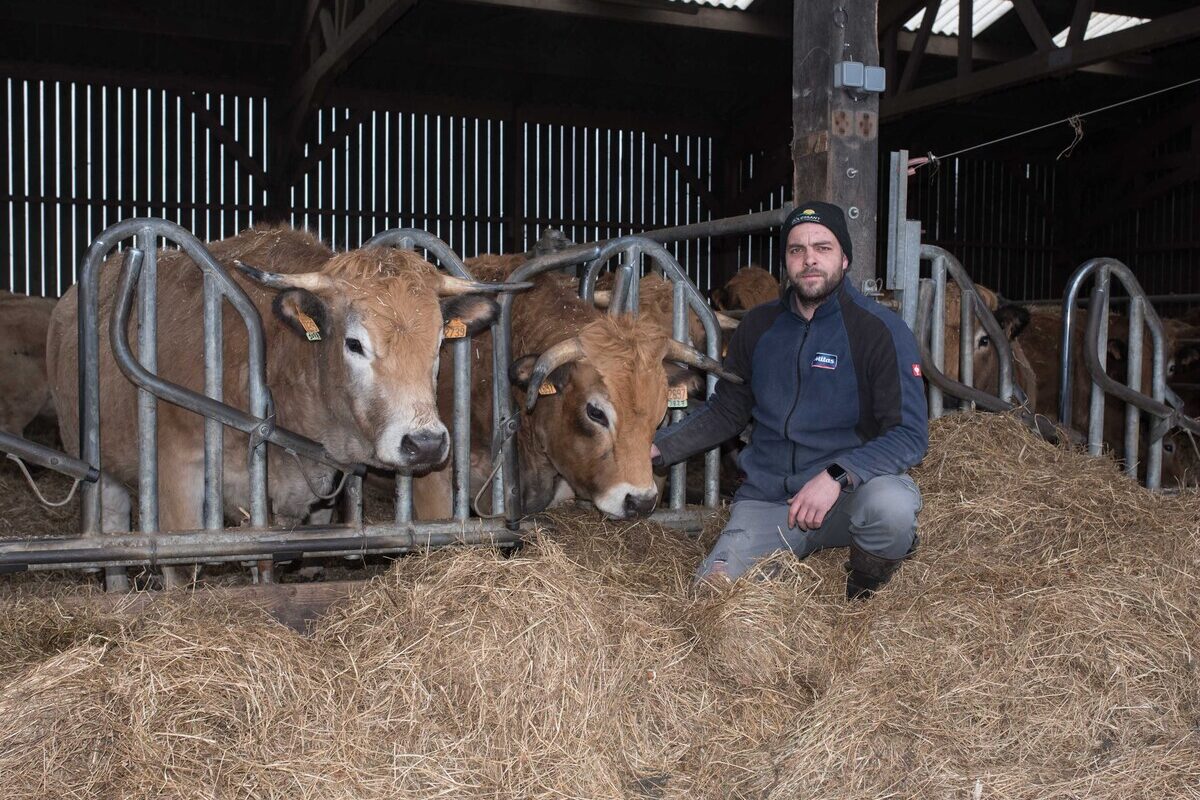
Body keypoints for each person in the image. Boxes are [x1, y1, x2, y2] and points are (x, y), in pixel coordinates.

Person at [651, 201, 929, 599]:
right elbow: (727, 410)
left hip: (847, 496)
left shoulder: (881, 331)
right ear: (786, 261)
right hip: (770, 501)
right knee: (712, 600)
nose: (809, 259)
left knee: (891, 509)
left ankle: (866, 587)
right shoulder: (759, 328)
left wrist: (836, 474)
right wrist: (658, 448)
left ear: (845, 258)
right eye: (797, 250)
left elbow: (909, 433)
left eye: (823, 247)